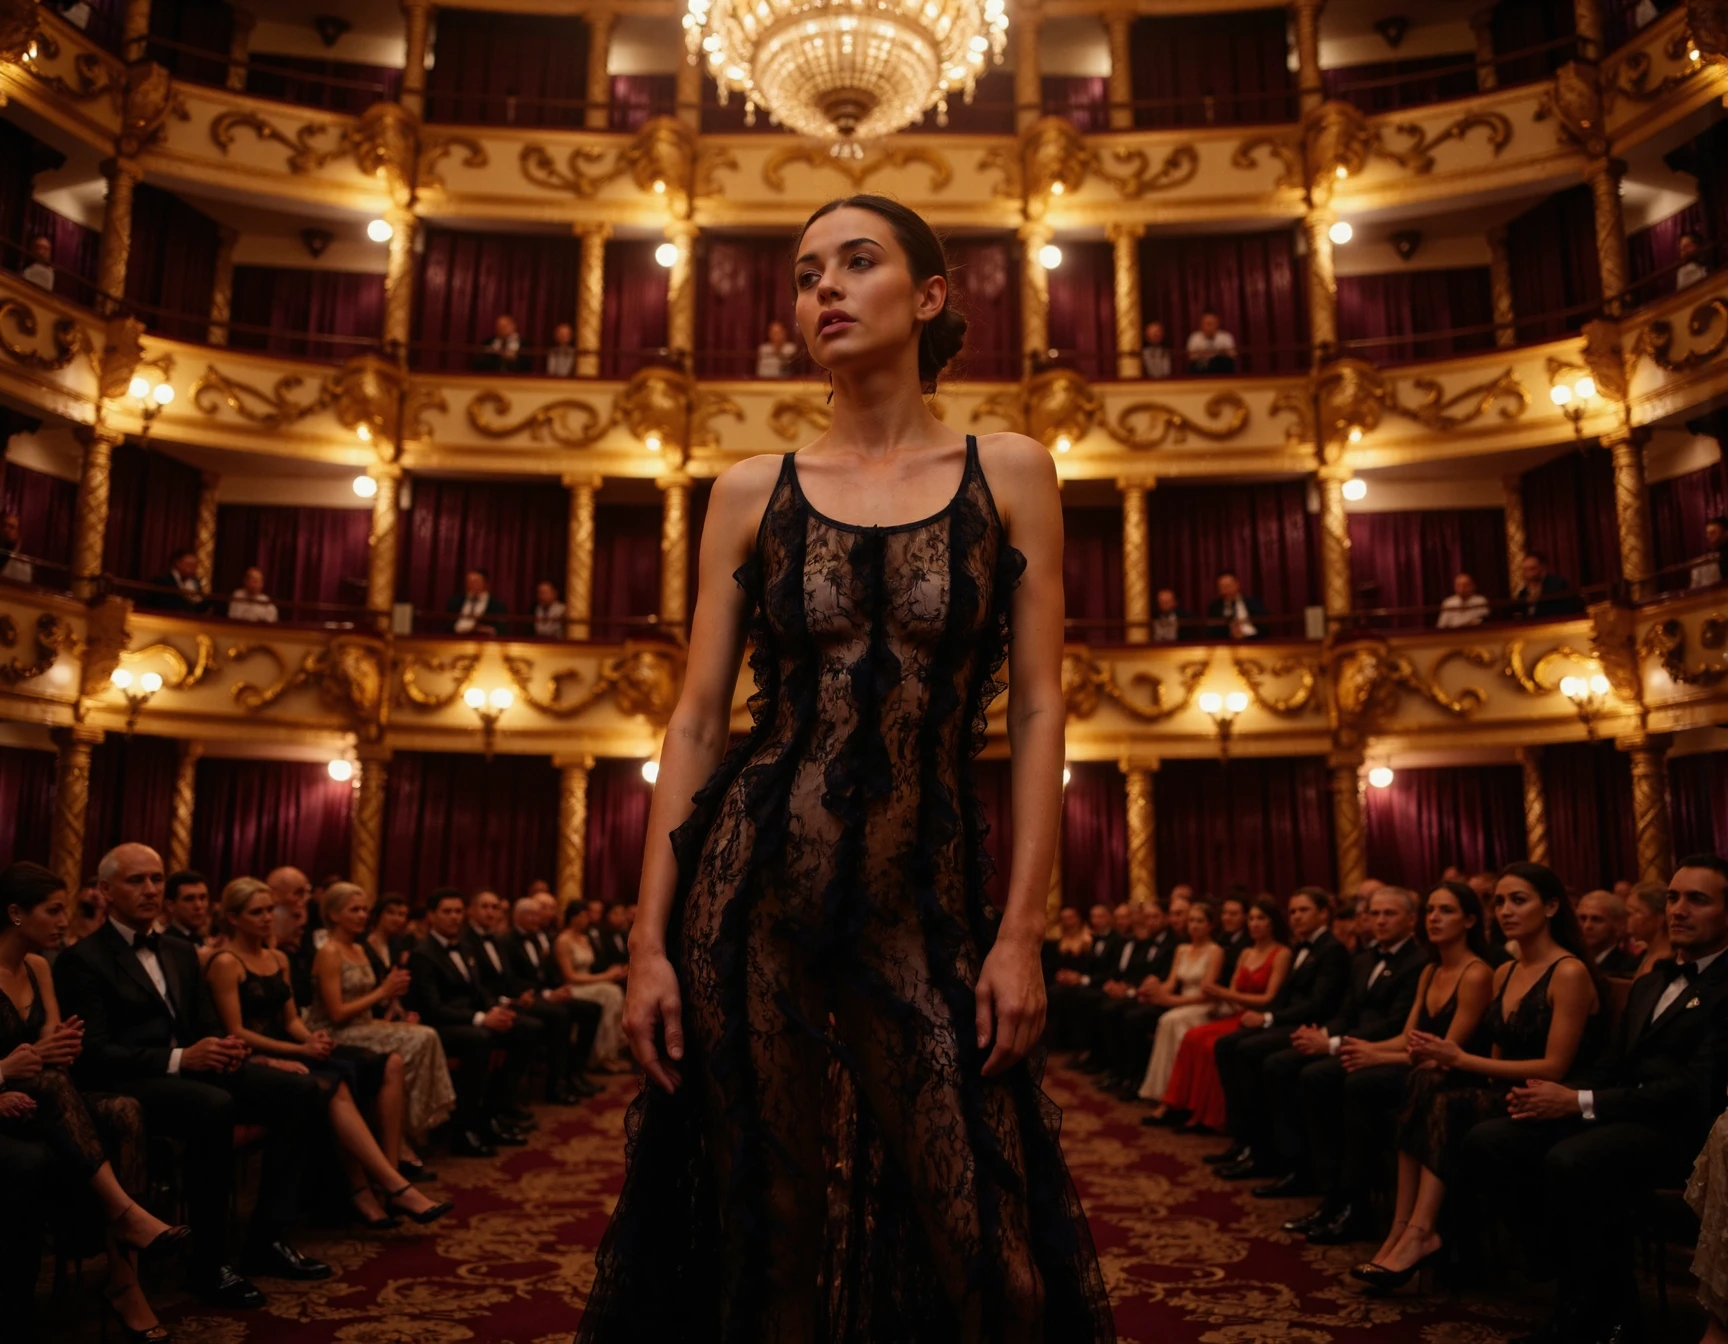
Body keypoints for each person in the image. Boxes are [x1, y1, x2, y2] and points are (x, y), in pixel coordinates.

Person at [577, 193, 1112, 1342]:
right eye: (806, 271)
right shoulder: (744, 490)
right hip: (750, 896)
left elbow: (1037, 706)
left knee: (994, 1267)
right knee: (768, 1253)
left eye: (855, 263)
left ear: (927, 299)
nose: (822, 287)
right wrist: (645, 945)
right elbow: (698, 726)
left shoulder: (1011, 470)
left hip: (921, 904)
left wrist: (1022, 932)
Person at [52, 843, 331, 1308]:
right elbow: (95, 1054)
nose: (150, 890)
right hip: (131, 1079)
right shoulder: (83, 959)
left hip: (190, 1068)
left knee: (302, 1090)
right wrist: (183, 1058)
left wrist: (225, 1048)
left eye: (157, 879)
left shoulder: (181, 950)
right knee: (212, 1105)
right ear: (104, 890)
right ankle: (207, 1264)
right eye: (136, 880)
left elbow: (205, 1025)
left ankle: (265, 1239)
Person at [1471, 857, 1728, 1344]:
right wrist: (1561, 1095)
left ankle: (1608, 1315)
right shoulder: (1652, 980)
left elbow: (1698, 1087)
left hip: (1687, 1132)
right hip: (1622, 1111)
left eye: (1698, 899)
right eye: (1672, 897)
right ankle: (1564, 1270)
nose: (1678, 910)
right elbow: (1612, 1065)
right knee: (1493, 1138)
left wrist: (1582, 1103)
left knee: (1575, 1158)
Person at [1356, 861, 1602, 1293]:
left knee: (1446, 1099)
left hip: (1550, 1096)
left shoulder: (1568, 971)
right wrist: (1461, 1067)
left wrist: (1460, 1062)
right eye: (1500, 901)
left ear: (1550, 907)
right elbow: (1496, 1050)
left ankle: (1420, 1232)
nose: (1505, 910)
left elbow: (1554, 1068)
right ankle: (1406, 1227)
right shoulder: (1505, 971)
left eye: (1518, 900)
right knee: (1426, 1084)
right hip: (1503, 1090)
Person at [1, 862, 189, 1343]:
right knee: (54, 1103)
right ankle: (125, 1216)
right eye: (54, 910)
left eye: (66, 910)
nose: (65, 921)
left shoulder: (40, 965)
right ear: (16, 914)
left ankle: (125, 1280)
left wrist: (53, 1051)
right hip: (6, 1100)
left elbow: (52, 1053)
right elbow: (32, 1062)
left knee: (123, 1110)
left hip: (40, 1096)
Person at [205, 878, 450, 1229]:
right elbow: (237, 1031)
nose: (266, 918)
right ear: (232, 918)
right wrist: (300, 1048)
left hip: (288, 1045)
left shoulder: (277, 957)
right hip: (249, 1054)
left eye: (268, 911)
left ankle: (382, 1181)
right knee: (335, 1081)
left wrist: (312, 1040)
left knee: (370, 1066)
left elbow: (290, 1020)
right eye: (255, 912)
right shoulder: (226, 961)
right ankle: (383, 1186)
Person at [1293, 880, 1494, 1246]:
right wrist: (1362, 1050)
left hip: (1453, 1076)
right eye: (1432, 910)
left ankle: (1360, 1206)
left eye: (1445, 911)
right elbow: (1407, 1036)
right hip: (1420, 1065)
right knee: (1339, 1073)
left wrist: (1369, 1055)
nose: (1434, 918)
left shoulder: (1476, 972)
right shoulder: (1431, 970)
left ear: (1469, 920)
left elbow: (1446, 1053)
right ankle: (1342, 1198)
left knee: (1359, 1081)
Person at [1250, 887, 1428, 1201]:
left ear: (1412, 919)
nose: (1380, 921)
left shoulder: (1419, 961)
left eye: (1389, 914)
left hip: (1384, 1046)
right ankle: (1300, 1168)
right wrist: (1323, 1036)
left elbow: (1395, 1023)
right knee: (1283, 1063)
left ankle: (1338, 1190)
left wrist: (1334, 1044)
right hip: (1352, 1040)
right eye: (1374, 914)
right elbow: (1347, 1011)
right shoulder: (1362, 959)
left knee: (1316, 1075)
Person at [1214, 888, 1351, 1178]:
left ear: (1324, 913)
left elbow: (1317, 1005)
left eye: (1303, 910)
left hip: (1310, 1025)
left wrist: (1268, 1018)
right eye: (1292, 911)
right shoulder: (1303, 946)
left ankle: (1269, 1153)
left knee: (1251, 1051)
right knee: (1227, 1044)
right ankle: (1245, 1140)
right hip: (1289, 1020)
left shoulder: (1332, 949)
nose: (1296, 917)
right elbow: (1286, 996)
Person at [306, 883, 457, 1145]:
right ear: (333, 915)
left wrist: (393, 997)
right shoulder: (329, 952)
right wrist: (383, 992)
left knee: (425, 1035)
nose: (363, 915)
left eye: (365, 909)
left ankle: (408, 1129)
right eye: (354, 910)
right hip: (334, 1032)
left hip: (363, 1024)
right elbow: (336, 1013)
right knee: (420, 1039)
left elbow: (370, 1002)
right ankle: (400, 1136)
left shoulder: (360, 949)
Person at [406, 888, 539, 1156]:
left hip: (469, 1021)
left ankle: (495, 1111)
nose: (454, 917)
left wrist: (497, 1009)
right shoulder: (423, 954)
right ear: (431, 916)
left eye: (457, 911)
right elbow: (433, 1008)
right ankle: (465, 1129)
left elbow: (479, 992)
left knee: (525, 1027)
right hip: (440, 1026)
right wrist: (481, 1018)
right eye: (447, 912)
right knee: (481, 1039)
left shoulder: (465, 947)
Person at [1163, 897, 1292, 1133]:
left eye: (1261, 918)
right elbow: (1233, 993)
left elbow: (1268, 999)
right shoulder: (1245, 953)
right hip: (1237, 1014)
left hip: (1260, 1018)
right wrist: (1222, 997)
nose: (1255, 924)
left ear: (1272, 923)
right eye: (1252, 919)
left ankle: (1211, 1117)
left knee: (1211, 1044)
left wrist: (1221, 993)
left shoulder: (1281, 953)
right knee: (1193, 1037)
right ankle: (1185, 1108)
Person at [491, 890, 605, 1099]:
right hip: (524, 997)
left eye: (539, 914)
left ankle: (575, 1072)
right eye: (533, 915)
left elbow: (545, 975)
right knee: (561, 1015)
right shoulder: (506, 942)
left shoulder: (537, 938)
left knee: (592, 1009)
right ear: (518, 917)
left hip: (543, 993)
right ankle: (555, 1085)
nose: (539, 918)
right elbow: (510, 980)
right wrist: (547, 994)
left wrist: (555, 990)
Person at [1136, 901, 1225, 1108]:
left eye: (1200, 921)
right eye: (1192, 920)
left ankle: (1176, 1097)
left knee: (1171, 1019)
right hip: (1182, 1003)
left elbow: (1207, 994)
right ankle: (1164, 1093)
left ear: (1211, 925)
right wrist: (1155, 991)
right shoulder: (1182, 949)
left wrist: (1171, 1000)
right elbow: (1171, 983)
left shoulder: (1215, 951)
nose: (1194, 925)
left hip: (1204, 1006)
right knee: (1167, 1018)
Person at [554, 899, 630, 1071]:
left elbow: (593, 968)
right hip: (573, 986)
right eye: (582, 916)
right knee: (611, 993)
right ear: (572, 918)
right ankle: (600, 1056)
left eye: (586, 916)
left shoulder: (584, 937)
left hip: (589, 983)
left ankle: (609, 1053)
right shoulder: (563, 940)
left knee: (614, 991)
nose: (585, 920)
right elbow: (570, 976)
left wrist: (611, 972)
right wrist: (606, 976)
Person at [1576, 889, 1641, 975]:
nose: (1587, 926)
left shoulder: (1630, 967)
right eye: (1582, 918)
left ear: (1619, 925)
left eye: (1597, 919)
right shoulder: (1570, 960)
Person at [1510, 552, 1581, 619]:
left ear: (1543, 568)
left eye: (1532, 569)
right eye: (1525, 570)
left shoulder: (1558, 585)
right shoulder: (1523, 593)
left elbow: (1568, 610)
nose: (1528, 574)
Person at [145, 548, 212, 614]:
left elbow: (197, 607)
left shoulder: (195, 582)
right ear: (178, 563)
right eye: (189, 565)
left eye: (195, 566)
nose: (192, 569)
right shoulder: (163, 580)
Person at [1626, 878, 1671, 976]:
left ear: (1658, 918)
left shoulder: (1664, 962)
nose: (1626, 919)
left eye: (1631, 913)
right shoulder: (1648, 955)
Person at [1205, 570, 1266, 640]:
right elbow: (1211, 632)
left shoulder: (1253, 603)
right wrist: (1230, 631)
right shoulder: (1215, 607)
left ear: (1237, 585)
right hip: (1227, 643)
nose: (1227, 590)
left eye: (1229, 585)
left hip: (1254, 641)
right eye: (1222, 587)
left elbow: (1265, 626)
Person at [161, 869, 212, 949]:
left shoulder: (203, 940)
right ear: (170, 905)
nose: (198, 905)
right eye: (189, 899)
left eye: (202, 898)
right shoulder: (165, 946)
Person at [448, 568, 506, 636]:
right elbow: (447, 625)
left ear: (485, 583)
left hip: (483, 642)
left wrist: (485, 629)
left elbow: (502, 629)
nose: (471, 584)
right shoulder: (455, 602)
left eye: (476, 581)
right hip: (455, 640)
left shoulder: (497, 605)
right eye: (469, 581)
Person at [1186, 310, 1237, 375]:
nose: (1209, 327)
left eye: (1211, 324)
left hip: (1221, 367)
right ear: (1201, 325)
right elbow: (1191, 356)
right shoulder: (1194, 337)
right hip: (1201, 368)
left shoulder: (1226, 337)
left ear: (1217, 324)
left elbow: (1233, 354)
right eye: (1206, 323)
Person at [1691, 514, 1727, 590]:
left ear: (1726, 533)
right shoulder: (1703, 564)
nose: (1709, 537)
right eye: (1708, 534)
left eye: (1713, 533)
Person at [0, 512, 32, 583]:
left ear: (19, 531)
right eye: (4, 525)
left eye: (11, 527)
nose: (6, 529)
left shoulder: (23, 562)